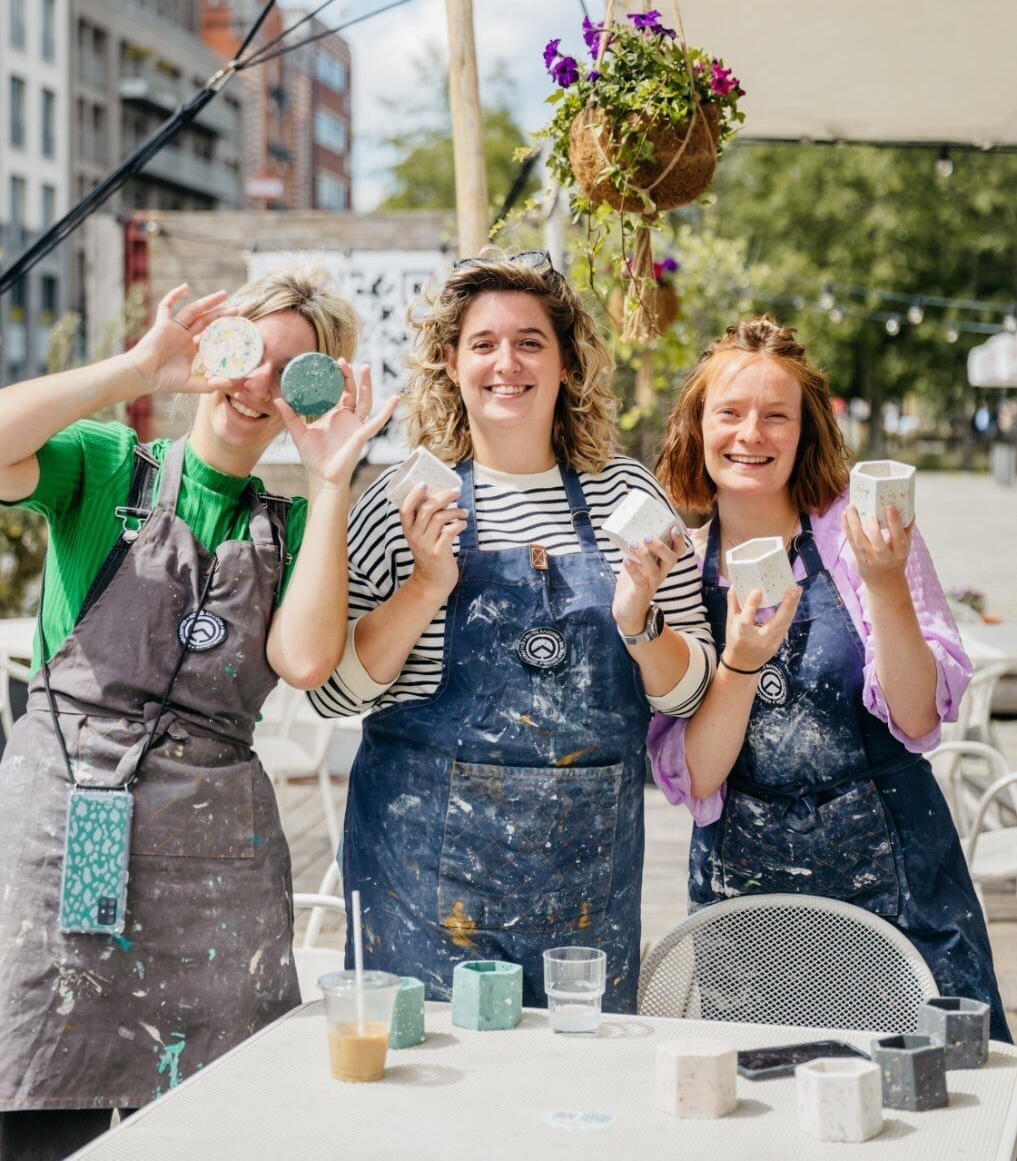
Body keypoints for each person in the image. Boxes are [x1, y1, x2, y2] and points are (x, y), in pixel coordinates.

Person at [0, 263, 395, 1161]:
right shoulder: (105, 465)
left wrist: (334, 480)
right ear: (213, 352)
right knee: (35, 1103)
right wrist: (137, 370)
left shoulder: (294, 528)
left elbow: (303, 659)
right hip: (61, 829)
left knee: (203, 1124)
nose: (258, 385)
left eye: (295, 374)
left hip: (214, 861)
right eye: (246, 353)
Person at [308, 251, 715, 1011]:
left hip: (585, 889)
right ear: (450, 364)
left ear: (566, 364)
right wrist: (428, 586)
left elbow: (692, 691)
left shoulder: (627, 496)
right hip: (420, 884)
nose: (507, 363)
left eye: (531, 341)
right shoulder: (401, 503)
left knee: (573, 1108)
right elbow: (330, 695)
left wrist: (638, 622)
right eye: (483, 343)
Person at [647, 314, 1010, 1039]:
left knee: (939, 1101)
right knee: (768, 1108)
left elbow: (913, 719)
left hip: (896, 875)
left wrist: (885, 585)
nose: (751, 433)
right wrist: (739, 661)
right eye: (729, 413)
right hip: (747, 898)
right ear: (696, 428)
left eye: (775, 416)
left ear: (804, 434)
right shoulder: (675, 569)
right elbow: (694, 772)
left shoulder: (865, 540)